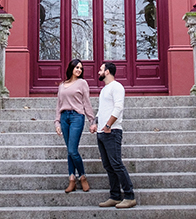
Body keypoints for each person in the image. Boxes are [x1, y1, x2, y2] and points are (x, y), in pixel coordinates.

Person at [91, 62, 137, 208]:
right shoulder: (104, 90)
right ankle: (115, 196)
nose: (98, 71)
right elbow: (101, 110)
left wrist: (108, 125)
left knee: (116, 164)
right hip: (102, 132)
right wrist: (96, 123)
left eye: (101, 69)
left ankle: (129, 196)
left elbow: (118, 107)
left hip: (112, 131)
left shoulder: (117, 87)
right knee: (108, 165)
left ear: (108, 71)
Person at [56, 59, 93, 193]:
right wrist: (57, 122)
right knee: (70, 150)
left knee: (72, 150)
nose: (79, 70)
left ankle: (82, 177)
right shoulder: (62, 85)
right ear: (71, 68)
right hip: (64, 117)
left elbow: (86, 103)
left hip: (77, 117)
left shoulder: (82, 83)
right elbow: (59, 105)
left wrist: (91, 120)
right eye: (77, 67)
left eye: (81, 68)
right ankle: (72, 179)